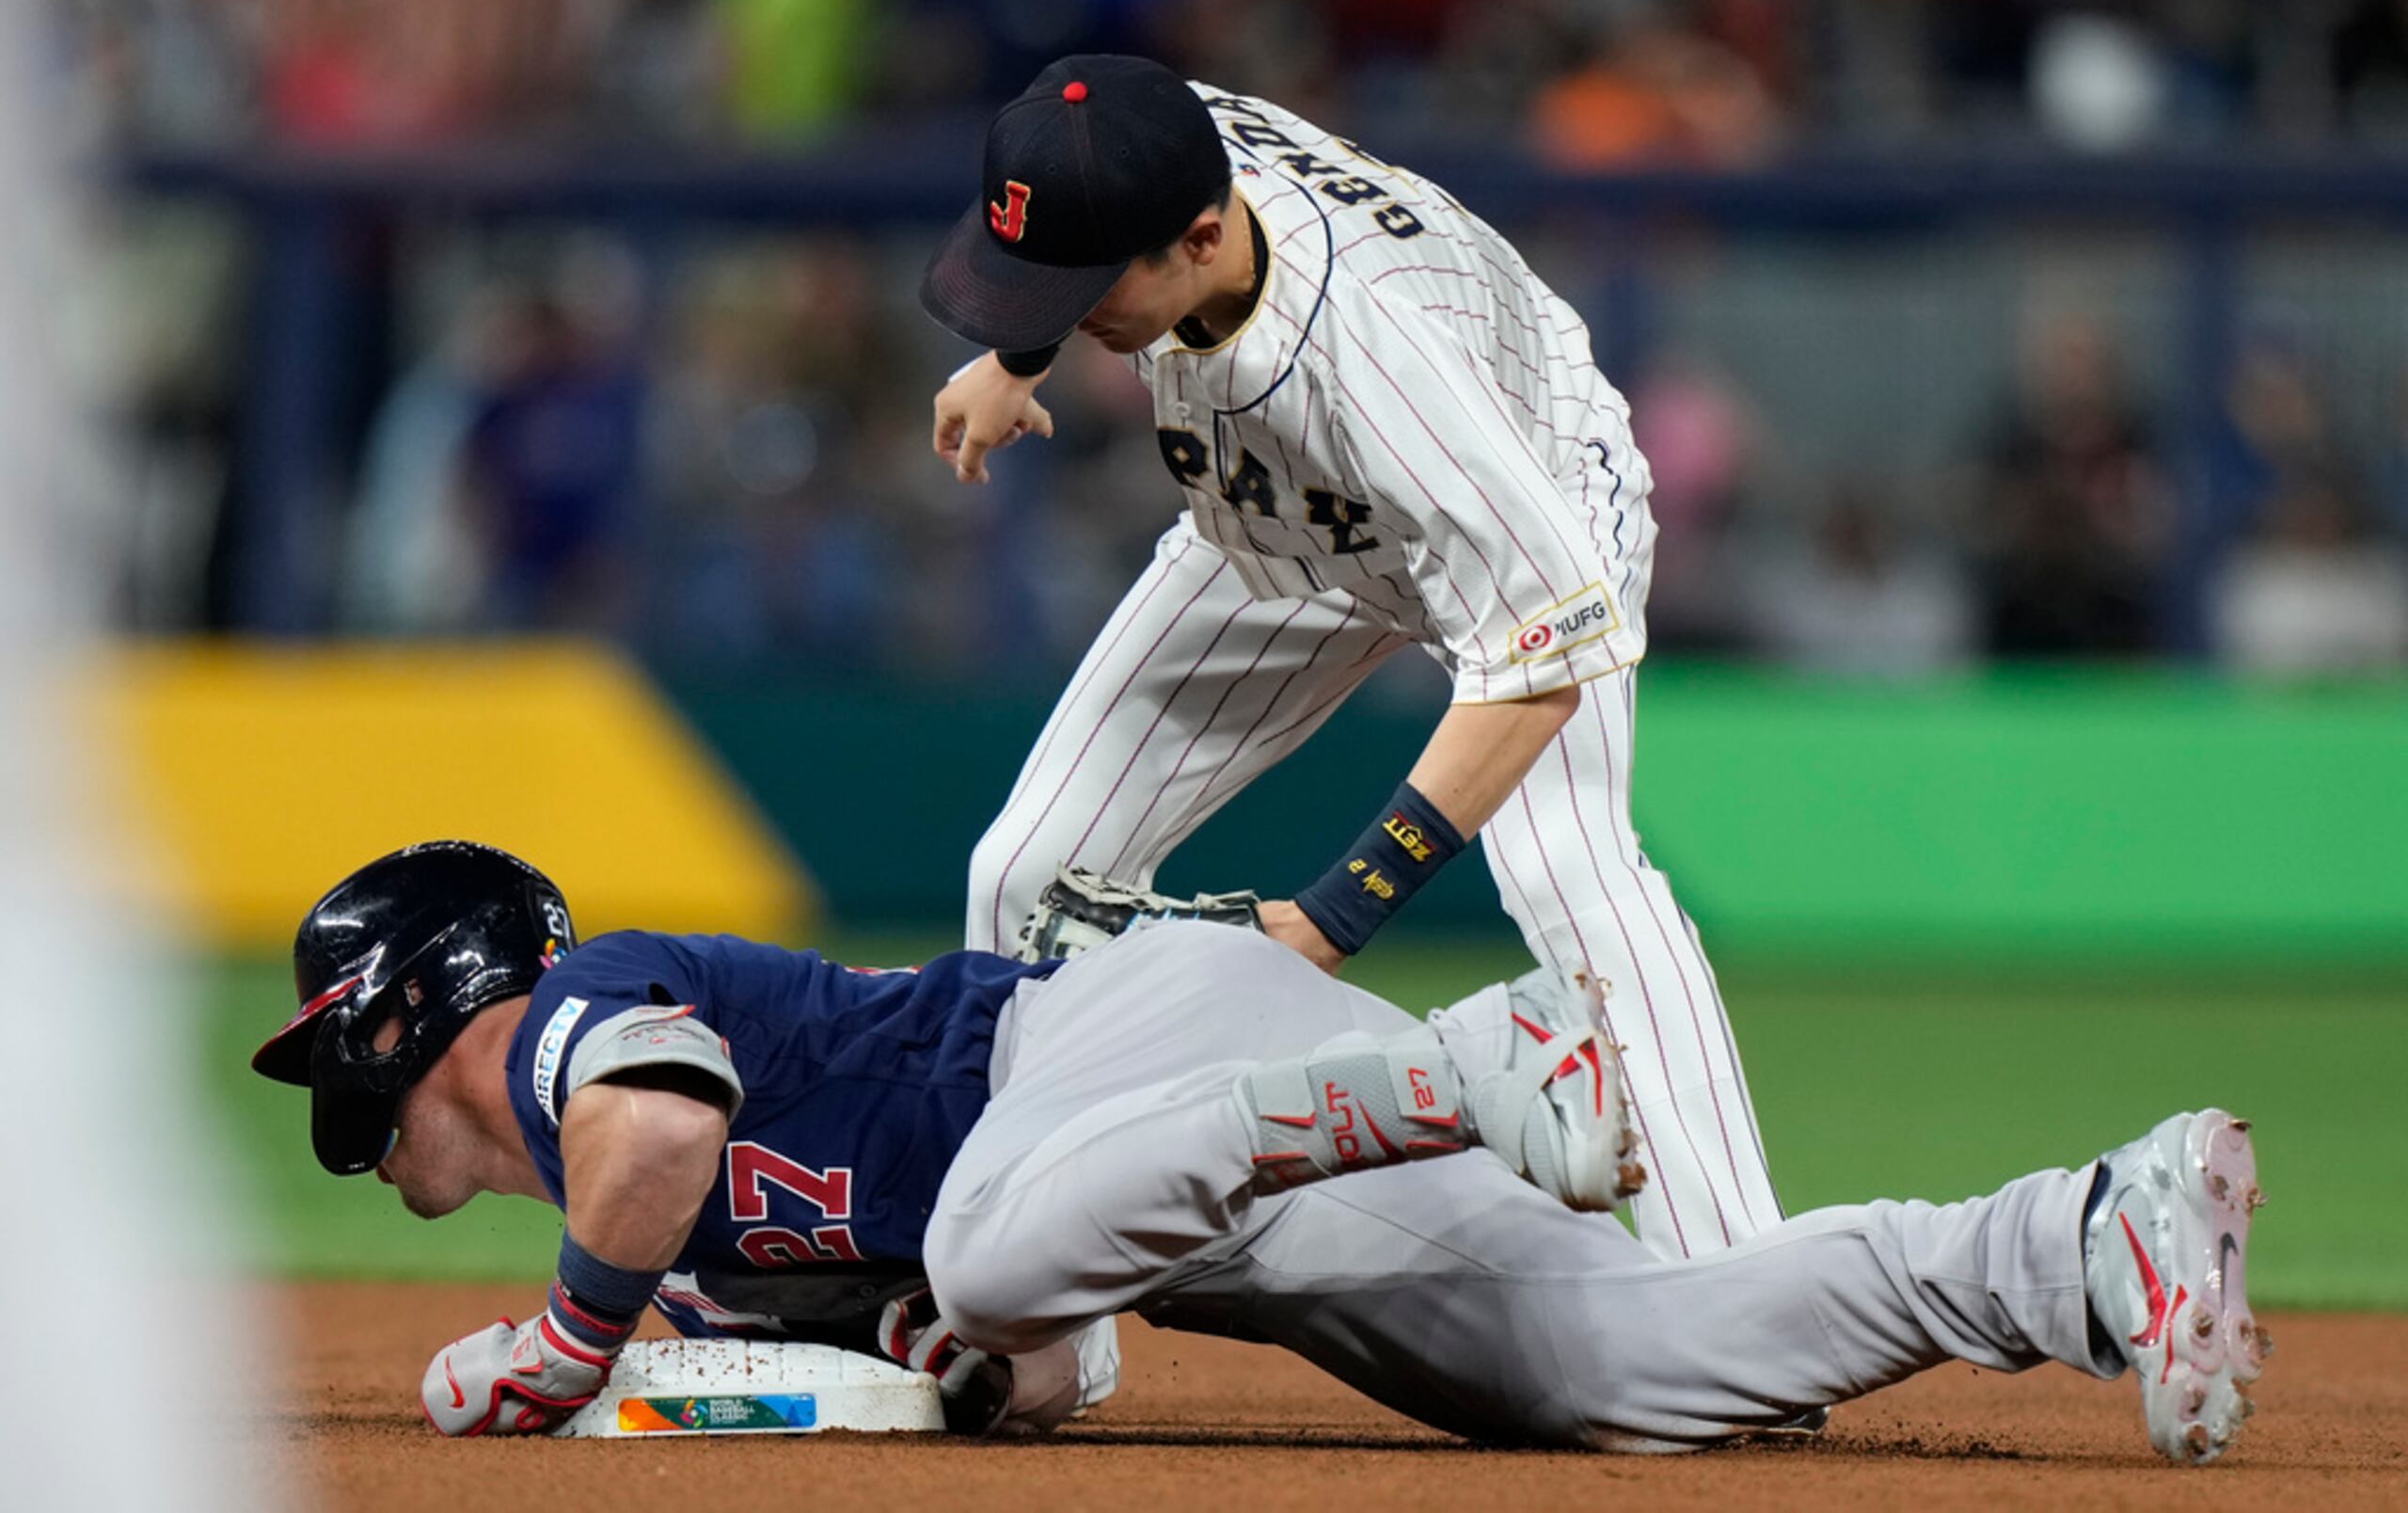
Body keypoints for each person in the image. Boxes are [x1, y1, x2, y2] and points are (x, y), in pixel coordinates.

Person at [255, 839, 2270, 1464]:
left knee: (988, 1237)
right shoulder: (691, 1263)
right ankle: (2083, 1238)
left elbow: (660, 1134)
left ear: (408, 1006)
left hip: (1125, 1037)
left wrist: (572, 1336)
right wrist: (976, 1384)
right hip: (1201, 1198)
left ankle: (1482, 1062)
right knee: (1614, 1377)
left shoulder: (589, 1015)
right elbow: (1051, 1350)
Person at [922, 55, 1778, 1269]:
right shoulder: (1144, 141)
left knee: (1571, 873)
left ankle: (1745, 1287)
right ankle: (1027, 1291)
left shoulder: (1382, 366)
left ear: (1203, 234)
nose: (1052, 304)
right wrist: (1015, 358)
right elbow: (1090, 207)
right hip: (1282, 514)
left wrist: (1339, 914)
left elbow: (1537, 663)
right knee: (1028, 874)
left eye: (1075, 288)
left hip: (1512, 495)